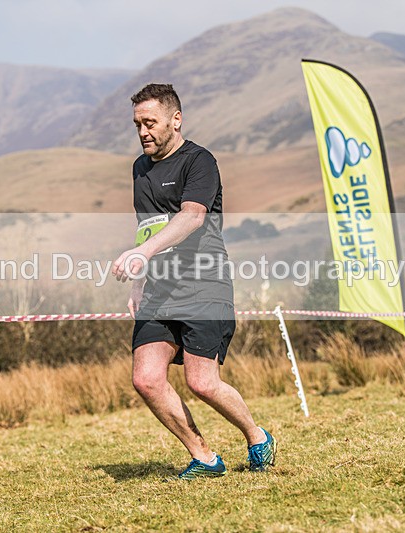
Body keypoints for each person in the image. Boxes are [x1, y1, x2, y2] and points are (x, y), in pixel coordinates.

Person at [111, 83, 276, 479]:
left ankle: (257, 436)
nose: (143, 132)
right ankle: (204, 457)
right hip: (159, 287)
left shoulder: (200, 161)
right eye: (137, 125)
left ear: (176, 119)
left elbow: (193, 216)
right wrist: (139, 279)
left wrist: (142, 253)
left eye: (150, 123)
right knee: (146, 379)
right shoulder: (140, 168)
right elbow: (148, 227)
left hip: (204, 284)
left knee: (202, 382)